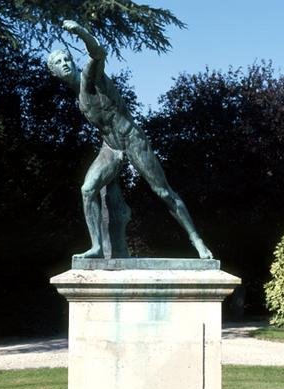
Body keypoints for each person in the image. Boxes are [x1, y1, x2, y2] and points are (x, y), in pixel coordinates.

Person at [48, 20, 213, 259]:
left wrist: (81, 32)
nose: (64, 64)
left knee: (163, 192)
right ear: (54, 73)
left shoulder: (89, 77)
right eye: (58, 63)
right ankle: (97, 247)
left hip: (132, 139)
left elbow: (98, 52)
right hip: (111, 147)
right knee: (87, 189)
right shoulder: (78, 100)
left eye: (66, 60)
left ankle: (197, 240)